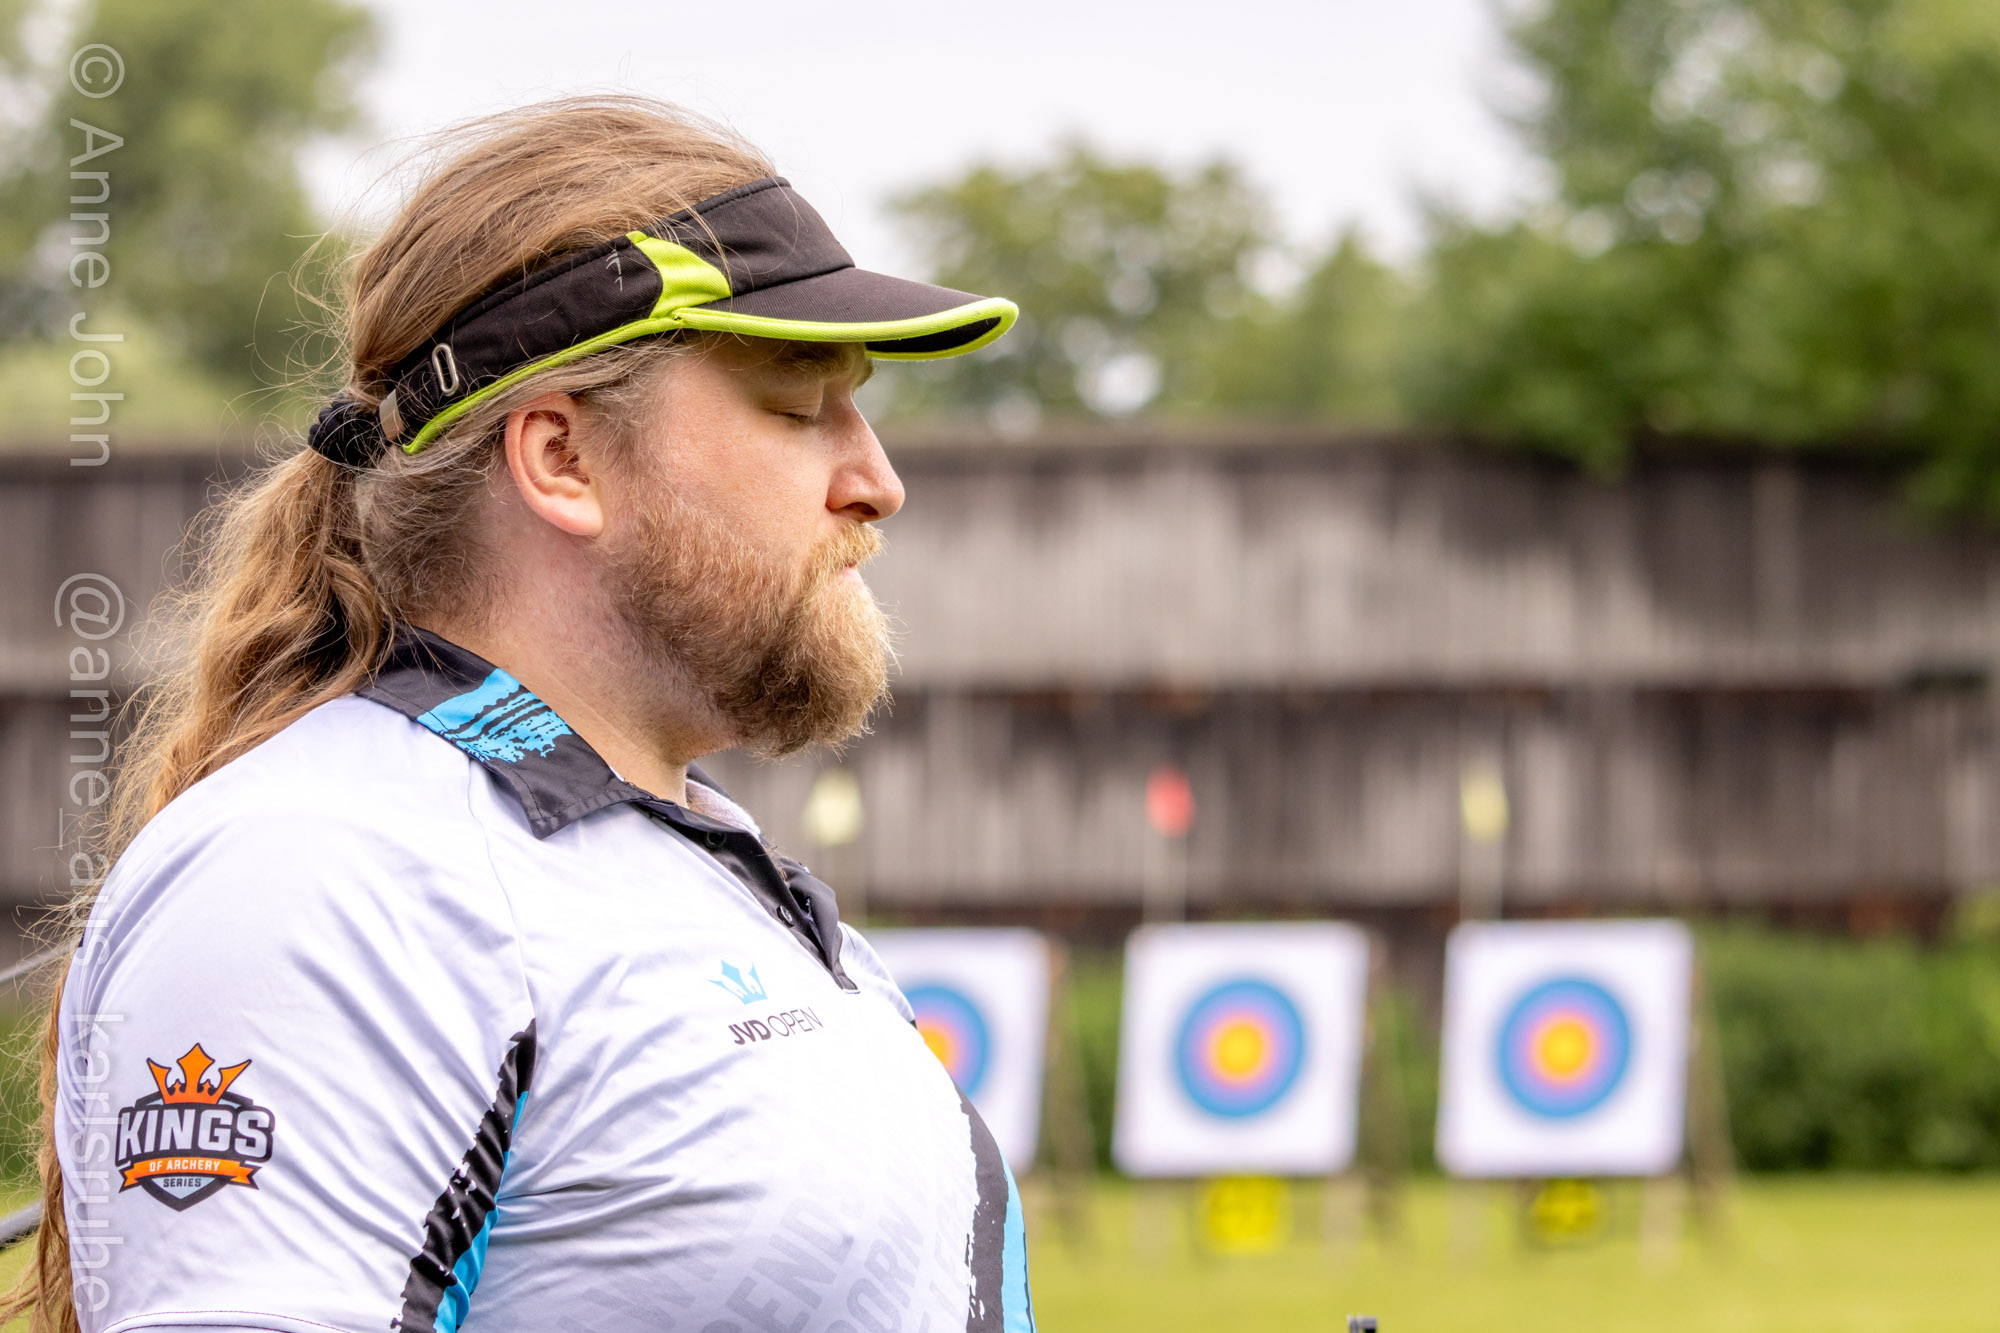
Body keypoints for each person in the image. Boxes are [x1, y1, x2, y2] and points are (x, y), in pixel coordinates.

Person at [12, 97, 1033, 1333]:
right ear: (561, 460)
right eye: (795, 403)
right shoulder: (329, 873)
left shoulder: (673, 854)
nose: (876, 480)